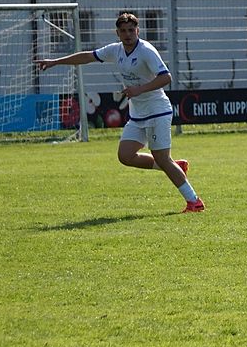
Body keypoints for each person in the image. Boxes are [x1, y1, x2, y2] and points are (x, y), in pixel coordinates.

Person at [36, 13, 204, 213]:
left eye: (131, 30)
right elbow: (87, 56)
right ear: (117, 33)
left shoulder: (146, 51)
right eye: (123, 31)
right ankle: (173, 166)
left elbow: (166, 77)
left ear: (137, 31)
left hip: (157, 111)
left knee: (161, 157)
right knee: (125, 156)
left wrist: (139, 89)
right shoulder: (115, 50)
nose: (127, 34)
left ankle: (194, 201)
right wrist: (55, 61)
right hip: (138, 114)